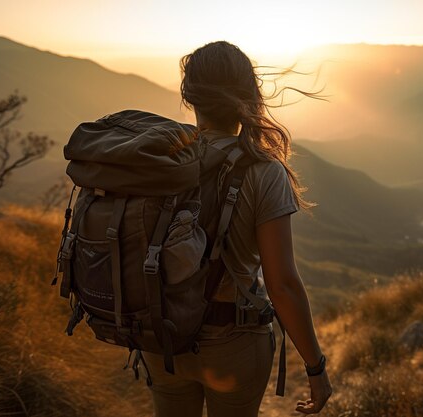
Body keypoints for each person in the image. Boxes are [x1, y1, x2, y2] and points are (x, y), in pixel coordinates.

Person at [142, 41, 332, 417]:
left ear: (189, 96)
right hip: (233, 343)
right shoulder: (264, 172)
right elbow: (283, 285)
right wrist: (316, 368)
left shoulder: (160, 159)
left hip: (161, 339)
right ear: (248, 94)